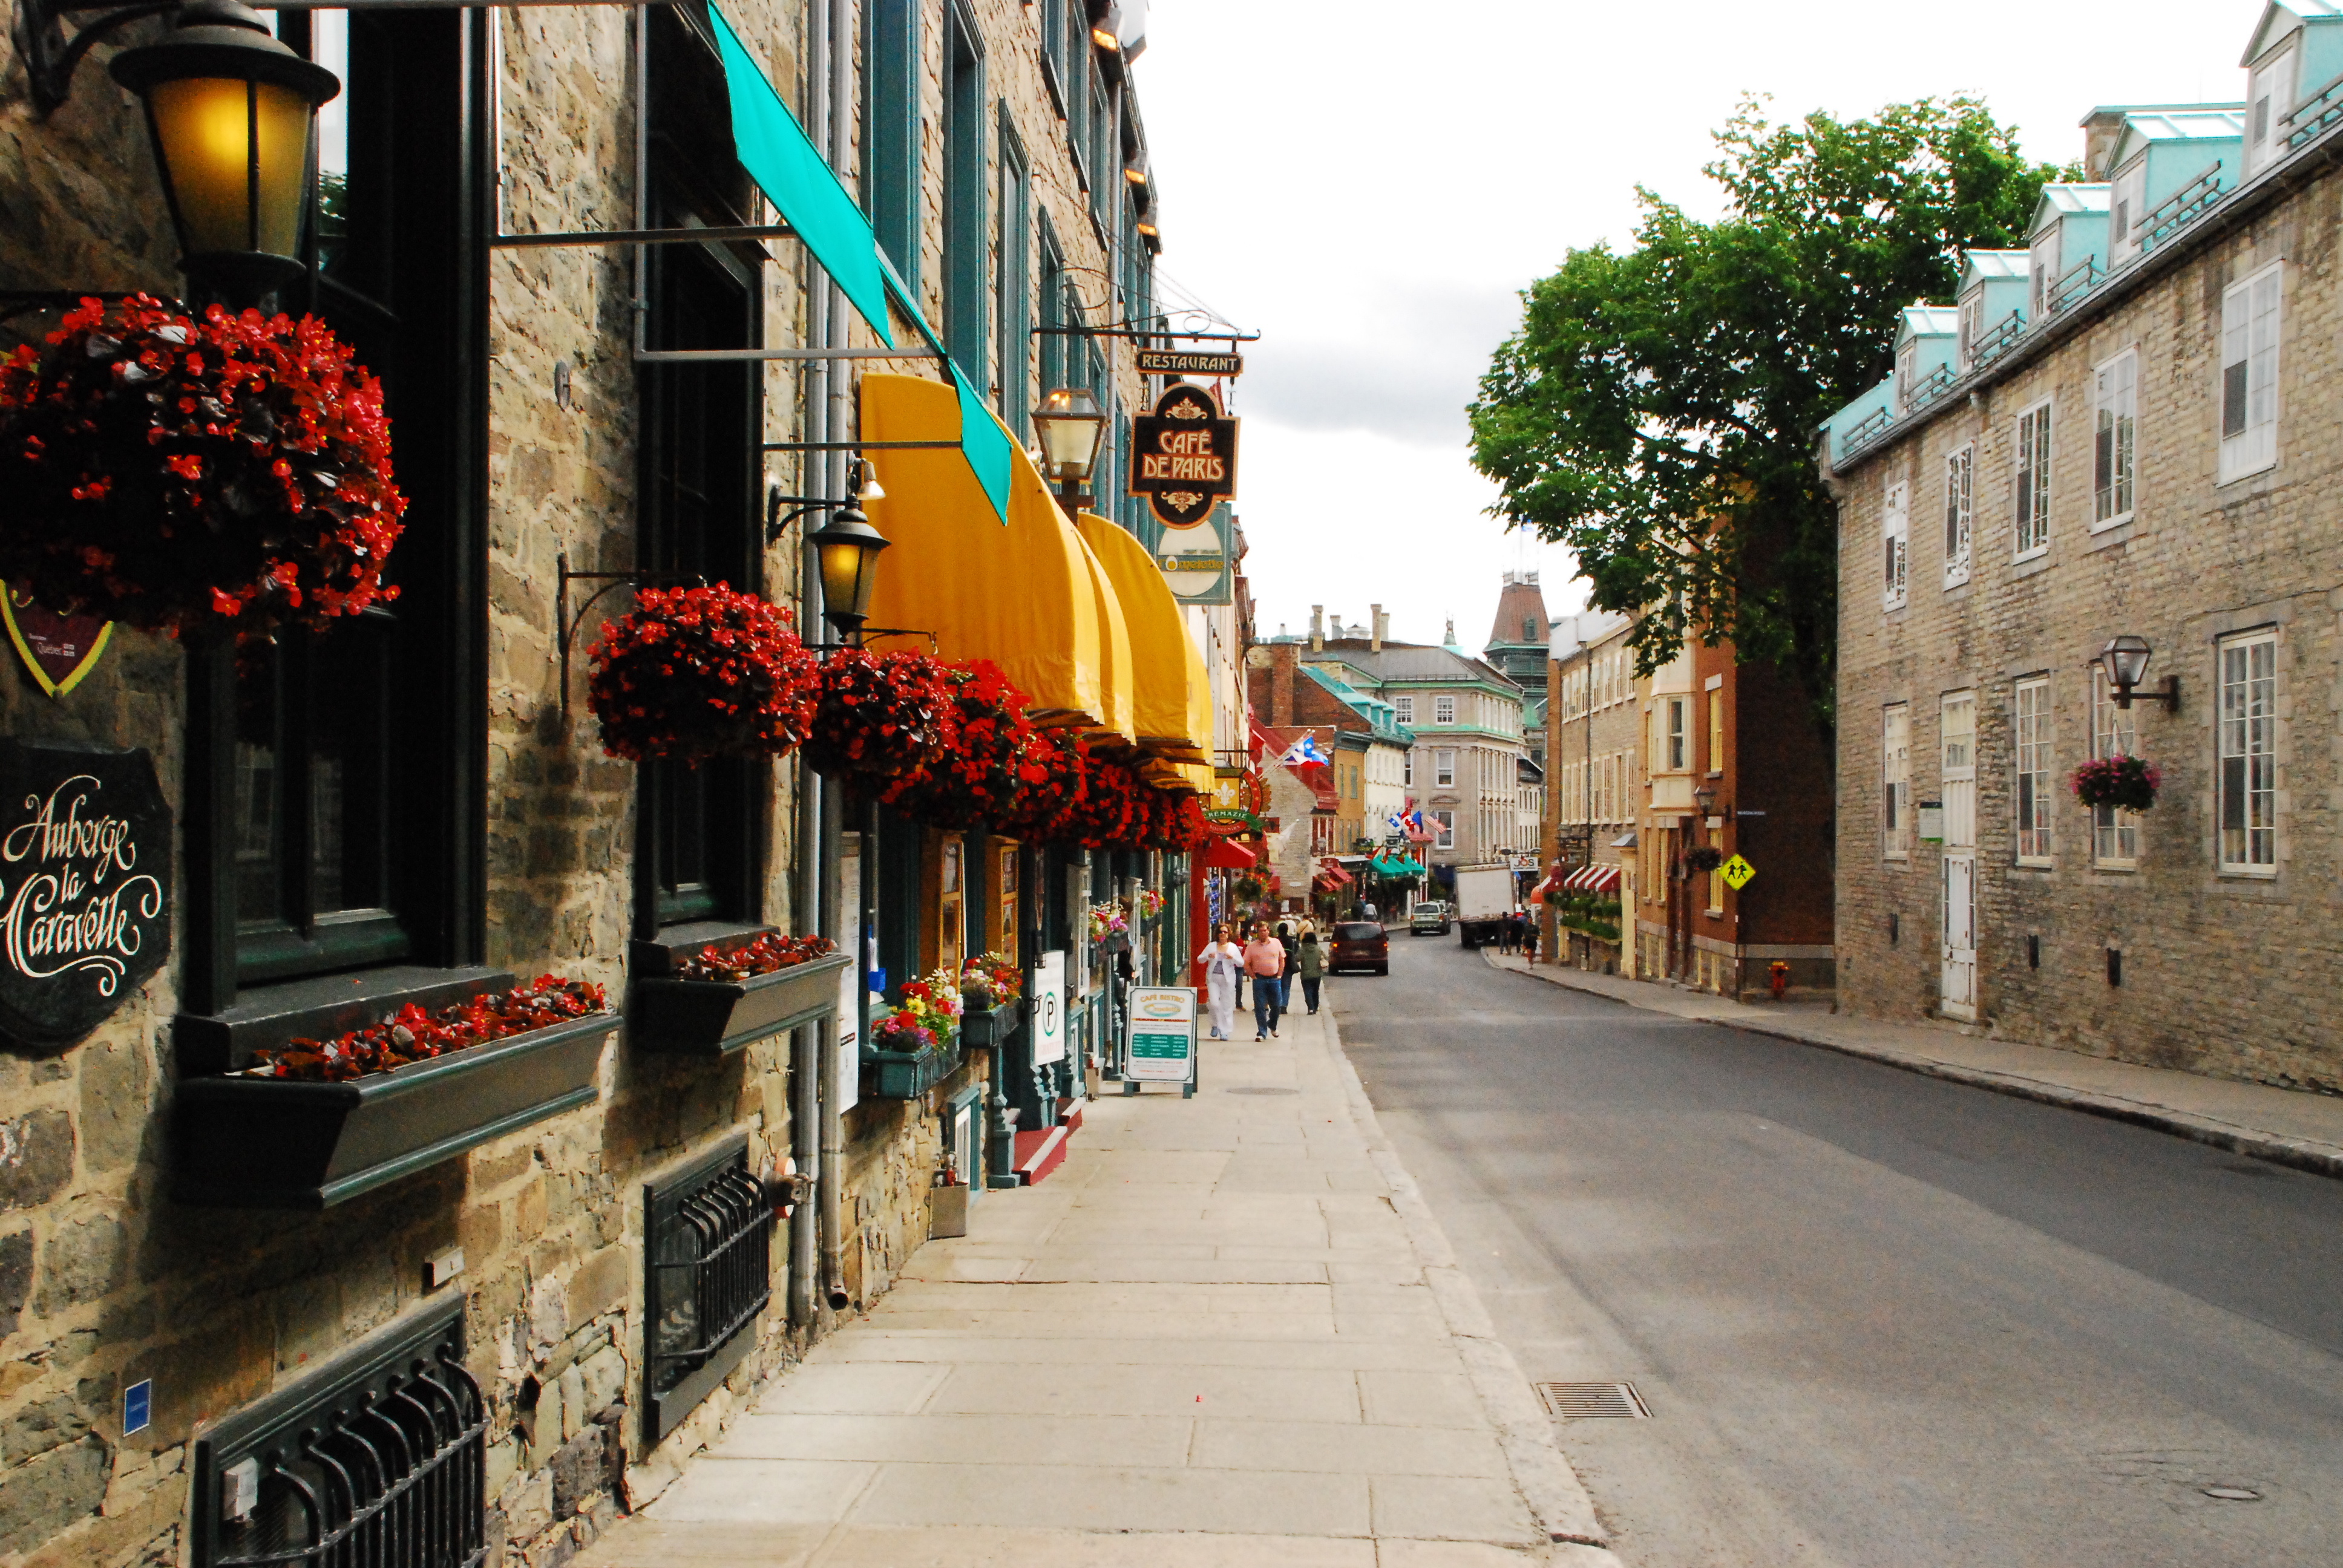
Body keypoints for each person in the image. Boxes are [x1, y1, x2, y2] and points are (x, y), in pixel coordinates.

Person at [1197, 924, 1243, 1040]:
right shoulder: (1212, 946)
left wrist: (1232, 958)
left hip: (1228, 980)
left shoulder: (1233, 947)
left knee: (1226, 1005)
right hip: (1213, 978)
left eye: (1225, 932)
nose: (1223, 934)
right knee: (1214, 1003)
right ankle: (1215, 1024)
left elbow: (1241, 963)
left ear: (1229, 934)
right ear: (1217, 934)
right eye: (1221, 932)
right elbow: (1200, 959)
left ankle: (1225, 1031)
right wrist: (1208, 956)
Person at [1243, 923, 1286, 1040]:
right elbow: (1246, 963)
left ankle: (1272, 1025)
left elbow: (1282, 959)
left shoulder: (1276, 943)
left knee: (1277, 1005)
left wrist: (1280, 975)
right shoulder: (1252, 947)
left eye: (1265, 930)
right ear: (1258, 933)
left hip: (1274, 979)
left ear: (1269, 931)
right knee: (1260, 1007)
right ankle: (1262, 1032)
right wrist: (1253, 976)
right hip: (1260, 979)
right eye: (1261, 931)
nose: (1263, 933)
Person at [1297, 927, 1325, 1014]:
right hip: (1317, 974)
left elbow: (1297, 958)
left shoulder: (1302, 949)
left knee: (1307, 992)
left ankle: (1311, 1008)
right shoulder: (1318, 949)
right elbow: (1325, 957)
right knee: (1315, 991)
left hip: (1305, 974)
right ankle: (1316, 1007)